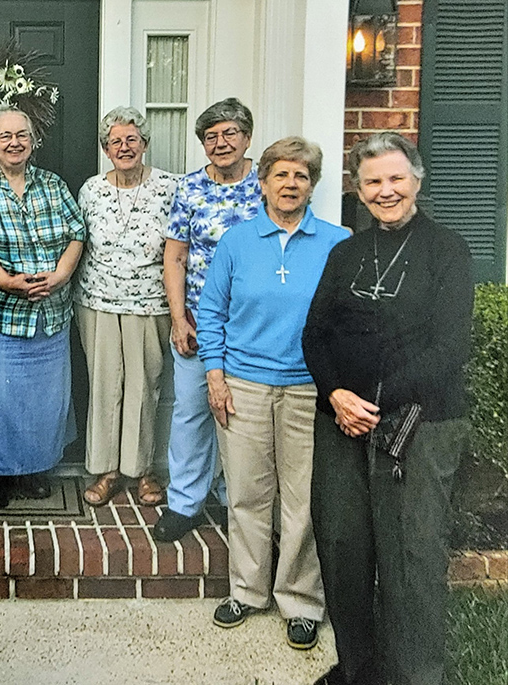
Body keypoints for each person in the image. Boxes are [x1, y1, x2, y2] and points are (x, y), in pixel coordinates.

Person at [303, 133, 473, 685]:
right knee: (344, 550)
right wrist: (335, 394)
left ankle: (417, 675)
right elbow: (315, 335)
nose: (386, 191)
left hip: (421, 425)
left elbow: (450, 349)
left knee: (412, 560)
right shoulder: (346, 254)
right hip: (342, 425)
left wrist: (371, 400)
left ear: (417, 180)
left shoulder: (448, 251)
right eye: (373, 181)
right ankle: (358, 670)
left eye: (396, 178)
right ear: (358, 190)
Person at [197, 137, 348, 650]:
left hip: (309, 389)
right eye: (280, 175)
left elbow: (350, 322)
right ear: (261, 183)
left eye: (301, 176)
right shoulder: (237, 242)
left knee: (302, 500)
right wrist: (214, 376)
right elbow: (212, 313)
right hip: (244, 385)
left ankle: (301, 601)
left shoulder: (336, 241)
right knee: (246, 493)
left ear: (313, 185)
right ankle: (246, 590)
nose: (290, 184)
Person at [0, 108, 86, 509]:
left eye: (21, 135)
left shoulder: (53, 185)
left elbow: (77, 234)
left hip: (48, 315)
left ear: (33, 141)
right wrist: (7, 282)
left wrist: (60, 274)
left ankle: (31, 469)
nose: (14, 142)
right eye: (4, 136)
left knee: (40, 401)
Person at [154, 98, 263, 542]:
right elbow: (175, 256)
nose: (220, 143)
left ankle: (235, 496)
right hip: (201, 323)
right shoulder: (190, 188)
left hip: (255, 325)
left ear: (247, 138)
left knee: (248, 415)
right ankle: (184, 503)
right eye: (211, 137)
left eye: (229, 133)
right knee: (193, 412)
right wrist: (179, 319)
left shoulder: (268, 184)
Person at [74, 106, 176, 507]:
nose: (124, 147)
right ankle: (106, 470)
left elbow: (178, 249)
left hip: (150, 302)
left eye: (132, 139)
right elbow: (78, 243)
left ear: (145, 144)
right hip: (96, 301)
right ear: (105, 148)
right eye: (115, 141)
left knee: (143, 385)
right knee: (103, 385)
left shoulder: (169, 187)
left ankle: (144, 470)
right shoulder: (91, 189)